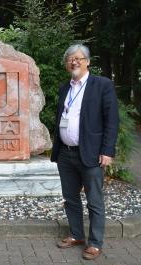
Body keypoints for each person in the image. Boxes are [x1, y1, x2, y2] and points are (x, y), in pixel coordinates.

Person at [51, 44, 119, 260]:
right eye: (70, 59)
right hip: (66, 154)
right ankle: (76, 234)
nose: (74, 62)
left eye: (79, 58)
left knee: (94, 201)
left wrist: (107, 151)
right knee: (70, 198)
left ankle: (95, 243)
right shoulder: (65, 88)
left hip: (90, 153)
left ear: (88, 61)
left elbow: (112, 121)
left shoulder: (102, 85)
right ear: (66, 64)